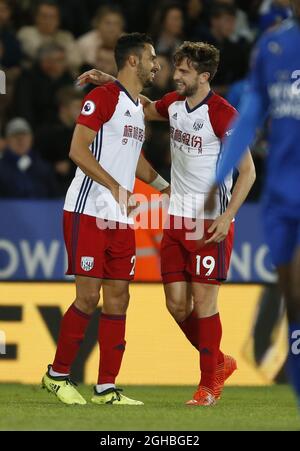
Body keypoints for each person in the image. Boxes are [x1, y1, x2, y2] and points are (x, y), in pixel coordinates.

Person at [78, 40, 256, 406]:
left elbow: (248, 172)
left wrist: (227, 215)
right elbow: (140, 107)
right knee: (177, 305)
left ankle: (209, 385)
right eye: (177, 68)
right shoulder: (173, 105)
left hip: (209, 222)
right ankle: (219, 361)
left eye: (184, 71)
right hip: (176, 218)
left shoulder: (222, 114)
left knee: (205, 302)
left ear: (204, 77)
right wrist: (110, 80)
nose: (175, 75)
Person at [41, 33, 170, 406]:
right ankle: (57, 375)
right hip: (88, 208)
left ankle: (105, 388)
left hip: (119, 216)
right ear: (133, 61)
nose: (155, 64)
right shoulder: (102, 98)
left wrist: (164, 187)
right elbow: (77, 150)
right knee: (87, 297)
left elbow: (135, 162)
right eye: (150, 58)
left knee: (119, 297)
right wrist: (115, 187)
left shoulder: (132, 105)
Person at [206, 0, 300, 409]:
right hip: (280, 196)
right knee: (293, 304)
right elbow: (253, 113)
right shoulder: (273, 44)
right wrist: (219, 173)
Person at [0, 118, 59, 198]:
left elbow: (55, 198)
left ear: (31, 138)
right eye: (15, 136)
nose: (20, 140)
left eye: (24, 135)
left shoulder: (44, 168)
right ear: (7, 140)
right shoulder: (2, 168)